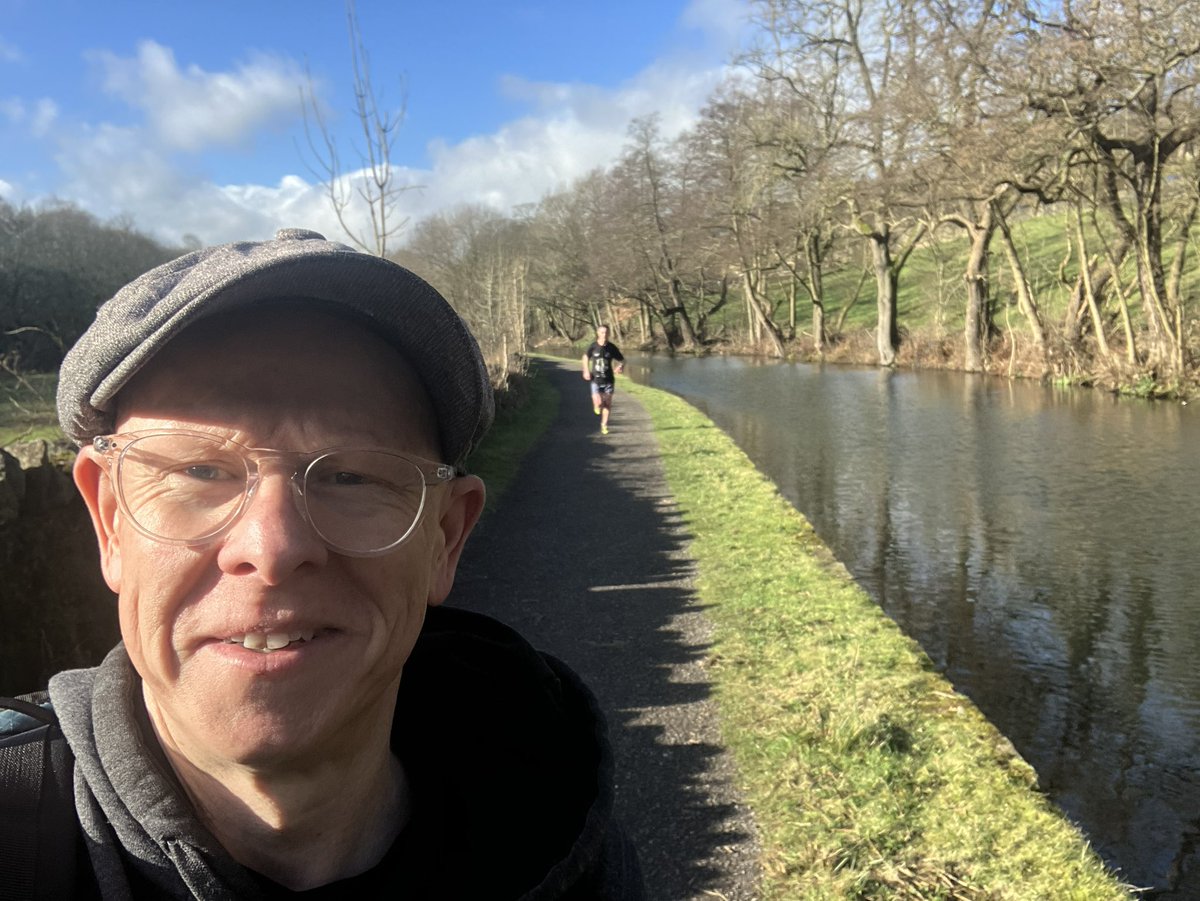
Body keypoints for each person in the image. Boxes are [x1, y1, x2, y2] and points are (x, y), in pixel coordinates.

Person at [0, 229, 642, 899]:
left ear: (445, 539)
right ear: (109, 522)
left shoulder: (566, 842)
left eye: (352, 477)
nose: (272, 547)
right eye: (199, 469)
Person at [581, 325, 625, 436]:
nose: (604, 335)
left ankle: (604, 425)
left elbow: (622, 360)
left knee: (607, 404)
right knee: (600, 403)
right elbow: (585, 357)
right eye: (602, 332)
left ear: (609, 334)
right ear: (598, 333)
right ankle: (596, 405)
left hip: (609, 380)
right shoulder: (593, 346)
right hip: (595, 380)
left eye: (606, 332)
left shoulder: (611, 347)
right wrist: (586, 370)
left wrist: (620, 367)